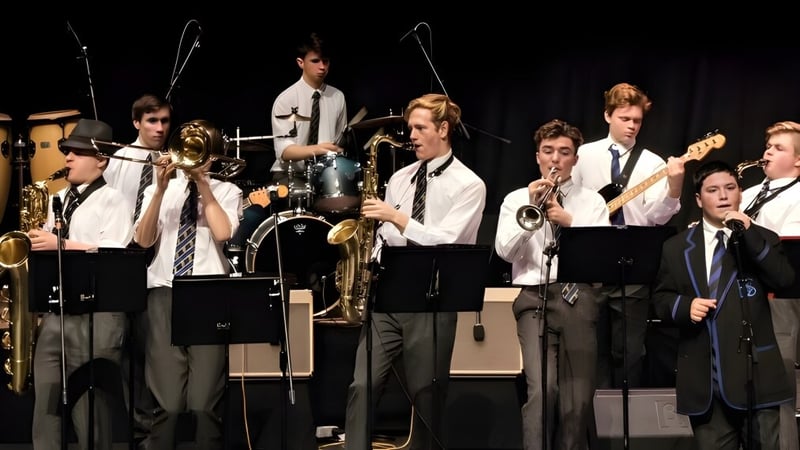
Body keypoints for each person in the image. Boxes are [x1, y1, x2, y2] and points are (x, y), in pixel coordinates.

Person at [343, 93, 486, 450]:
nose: (413, 135)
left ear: (444, 128)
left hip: (433, 295)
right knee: (362, 385)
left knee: (426, 395)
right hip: (389, 292)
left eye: (421, 128)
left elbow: (447, 241)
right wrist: (370, 259)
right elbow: (387, 234)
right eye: (410, 128)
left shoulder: (469, 184)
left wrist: (396, 217)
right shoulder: (400, 179)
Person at [652, 160, 795, 450]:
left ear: (740, 193)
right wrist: (684, 306)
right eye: (713, 190)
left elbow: (784, 280)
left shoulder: (761, 238)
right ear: (698, 198)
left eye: (730, 188)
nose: (723, 196)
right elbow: (660, 299)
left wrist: (749, 233)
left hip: (756, 377)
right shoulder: (677, 247)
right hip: (706, 381)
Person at [495, 119, 610, 450]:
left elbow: (601, 255)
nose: (555, 159)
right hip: (534, 298)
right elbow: (505, 251)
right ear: (537, 157)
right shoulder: (516, 198)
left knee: (577, 397)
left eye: (564, 152)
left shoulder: (592, 201)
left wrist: (568, 222)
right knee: (542, 390)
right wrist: (530, 216)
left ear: (575, 159)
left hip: (580, 295)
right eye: (548, 151)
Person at [27, 118, 134, 450]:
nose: (68, 158)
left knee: (91, 416)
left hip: (97, 315)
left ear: (101, 160)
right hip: (56, 315)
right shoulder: (55, 198)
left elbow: (114, 252)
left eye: (77, 152)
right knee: (45, 410)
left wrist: (58, 245)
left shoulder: (115, 199)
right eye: (67, 151)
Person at [571, 82, 686, 389]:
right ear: (608, 115)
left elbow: (656, 217)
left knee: (630, 351)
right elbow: (570, 201)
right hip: (591, 263)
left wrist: (674, 186)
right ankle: (592, 423)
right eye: (625, 118)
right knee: (589, 352)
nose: (632, 126)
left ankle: (627, 422)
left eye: (637, 120)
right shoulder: (583, 155)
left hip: (633, 264)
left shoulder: (652, 163)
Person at [133, 130, 242, 450]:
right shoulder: (160, 189)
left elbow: (222, 233)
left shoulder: (228, 190)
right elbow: (143, 239)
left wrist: (204, 185)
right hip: (164, 292)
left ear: (213, 157)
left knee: (204, 404)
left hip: (207, 294)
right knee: (166, 405)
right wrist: (158, 190)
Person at [103, 92, 172, 441]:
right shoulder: (120, 159)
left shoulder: (171, 159)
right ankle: (137, 427)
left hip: (158, 261)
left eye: (164, 121)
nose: (159, 129)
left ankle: (156, 428)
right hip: (125, 259)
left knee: (154, 348)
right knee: (126, 349)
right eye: (152, 121)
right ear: (136, 123)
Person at [739, 120, 800, 450]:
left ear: (798, 160)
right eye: (768, 146)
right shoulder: (748, 193)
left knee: (780, 389)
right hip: (741, 298)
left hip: (778, 301)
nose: (768, 152)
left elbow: (786, 246)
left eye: (779, 148)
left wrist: (746, 229)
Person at [268, 31, 347, 211]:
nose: (322, 67)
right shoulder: (286, 99)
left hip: (325, 174)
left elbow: (339, 140)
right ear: (300, 62)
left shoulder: (338, 97)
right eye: (315, 61)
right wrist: (318, 149)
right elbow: (285, 151)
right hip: (290, 174)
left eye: (325, 61)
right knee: (304, 200)